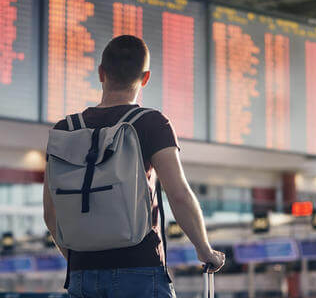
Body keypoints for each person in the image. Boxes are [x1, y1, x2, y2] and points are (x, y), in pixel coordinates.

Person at [43, 35, 225, 298]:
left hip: (81, 274)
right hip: (139, 268)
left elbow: (51, 214)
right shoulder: (151, 123)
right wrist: (205, 250)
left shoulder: (64, 130)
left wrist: (79, 258)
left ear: (101, 73)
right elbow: (179, 195)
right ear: (146, 77)